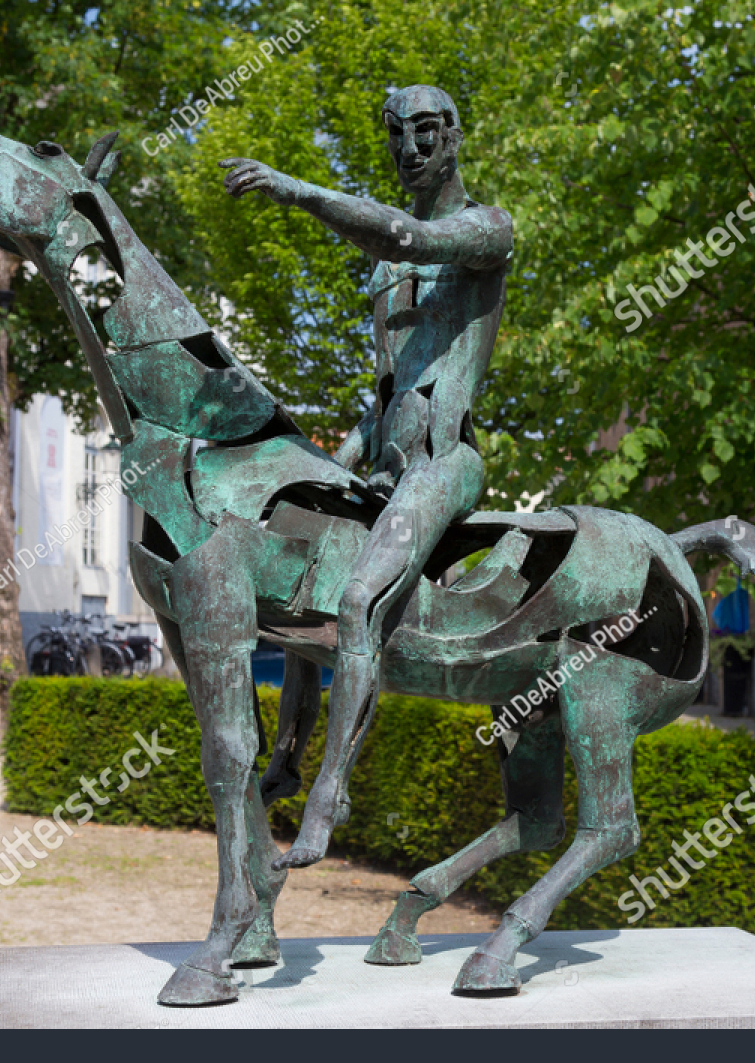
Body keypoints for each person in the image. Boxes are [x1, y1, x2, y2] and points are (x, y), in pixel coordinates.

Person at [220, 84, 513, 867]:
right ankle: (286, 752)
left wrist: (294, 189)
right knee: (290, 582)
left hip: (444, 465)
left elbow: (412, 239)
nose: (410, 150)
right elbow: (386, 395)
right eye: (396, 135)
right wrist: (330, 462)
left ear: (453, 137)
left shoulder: (485, 230)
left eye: (425, 134)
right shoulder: (385, 275)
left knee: (356, 601)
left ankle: (330, 795)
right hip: (385, 467)